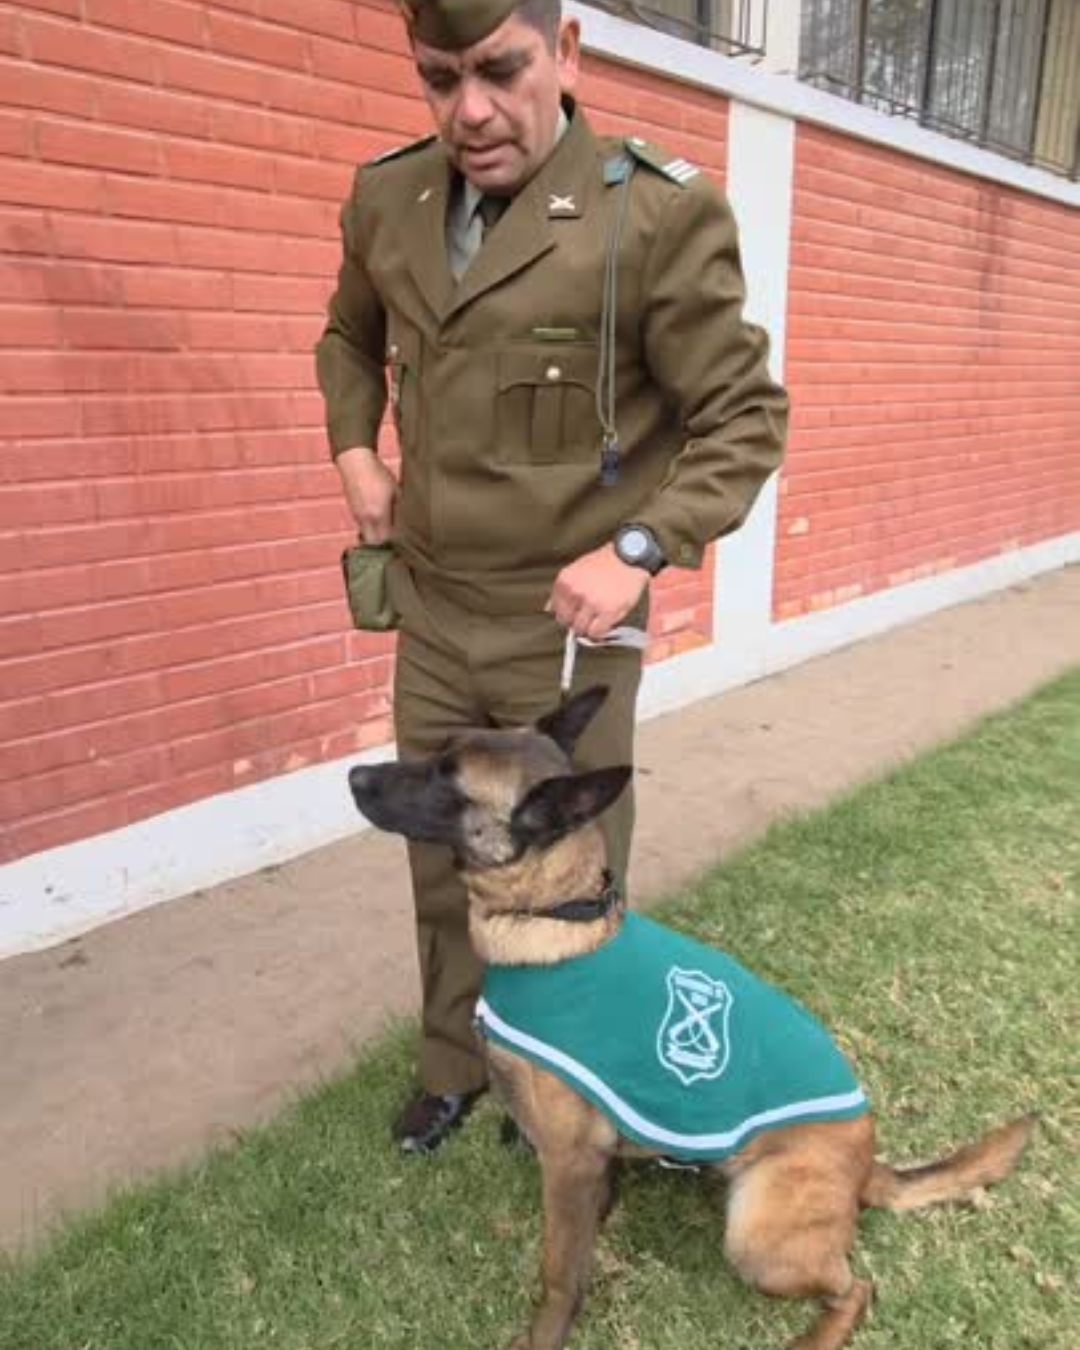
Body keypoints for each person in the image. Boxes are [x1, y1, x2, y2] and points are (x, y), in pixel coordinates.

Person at [315, 0, 788, 1154]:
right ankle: (453, 1059)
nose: (469, 110)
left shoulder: (655, 215)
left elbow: (743, 416)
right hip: (432, 608)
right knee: (444, 856)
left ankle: (565, 1074)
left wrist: (638, 549)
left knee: (569, 875)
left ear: (565, 54)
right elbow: (345, 335)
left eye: (499, 70)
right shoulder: (391, 197)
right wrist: (354, 448)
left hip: (566, 631)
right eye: (439, 78)